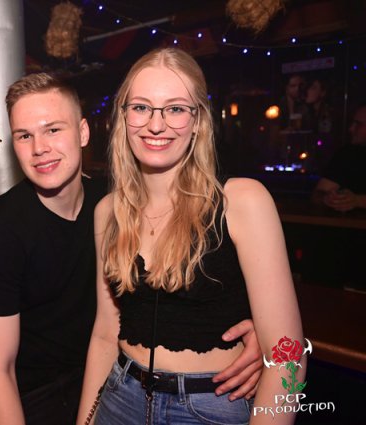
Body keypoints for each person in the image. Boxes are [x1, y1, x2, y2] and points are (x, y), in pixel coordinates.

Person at [0, 73, 263, 425]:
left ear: (83, 133)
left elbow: (198, 276)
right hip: (38, 398)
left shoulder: (118, 203)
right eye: (24, 136)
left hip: (115, 381)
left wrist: (260, 332)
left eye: (53, 130)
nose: (39, 148)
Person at [77, 48, 305, 425]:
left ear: (198, 120)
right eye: (141, 107)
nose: (156, 124)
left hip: (208, 407)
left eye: (176, 109)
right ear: (124, 116)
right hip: (120, 396)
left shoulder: (242, 201)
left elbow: (288, 355)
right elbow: (105, 333)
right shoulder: (108, 211)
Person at [312, 103, 366, 211]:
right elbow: (317, 195)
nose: (351, 129)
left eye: (358, 124)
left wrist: (358, 201)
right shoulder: (348, 154)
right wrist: (328, 199)